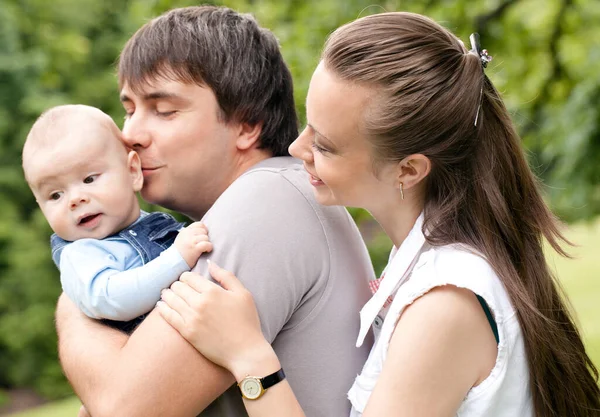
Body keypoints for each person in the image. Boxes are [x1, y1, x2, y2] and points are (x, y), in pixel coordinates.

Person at [156, 12, 600, 417]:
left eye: (325, 145)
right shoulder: (433, 268)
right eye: (306, 124)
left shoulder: (444, 306)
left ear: (408, 169)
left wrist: (248, 357)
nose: (297, 149)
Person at [53, 6, 375, 417]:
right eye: (129, 109)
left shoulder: (265, 202)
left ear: (247, 125)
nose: (129, 135)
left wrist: (79, 293)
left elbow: (124, 408)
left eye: (164, 110)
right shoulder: (275, 195)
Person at [22, 104, 212, 332]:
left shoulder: (154, 225)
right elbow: (113, 300)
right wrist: (178, 257)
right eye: (55, 195)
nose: (74, 199)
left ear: (132, 171)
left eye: (89, 179)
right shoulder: (82, 255)